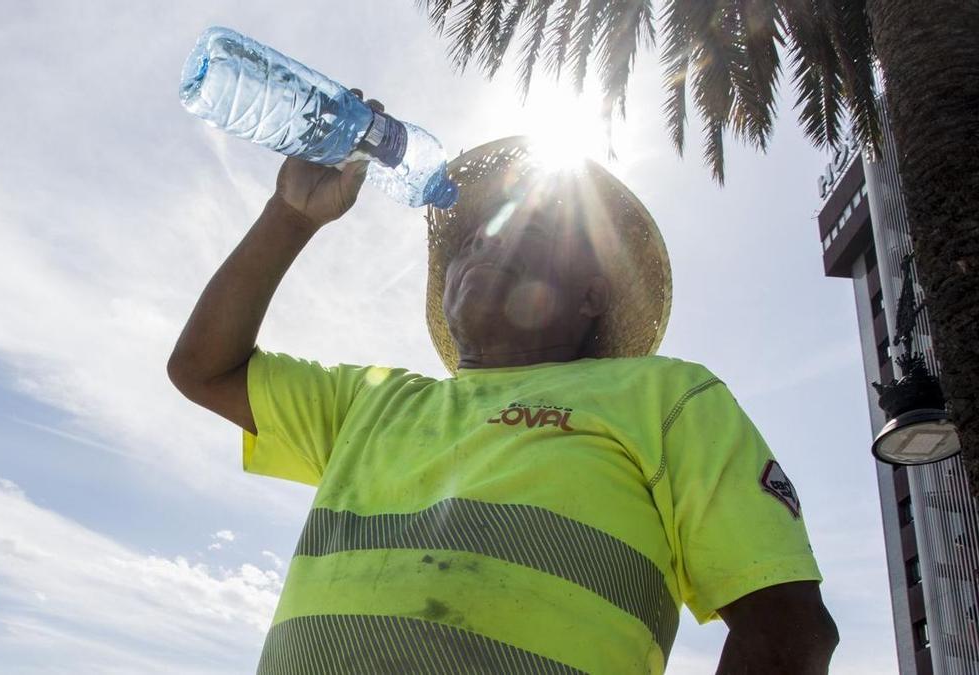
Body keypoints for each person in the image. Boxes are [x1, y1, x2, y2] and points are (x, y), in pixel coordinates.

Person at [169, 92, 838, 674]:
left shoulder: (665, 397)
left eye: (533, 229)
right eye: (475, 236)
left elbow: (789, 630)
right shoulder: (368, 402)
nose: (488, 240)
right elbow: (203, 368)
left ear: (591, 297)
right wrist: (291, 213)